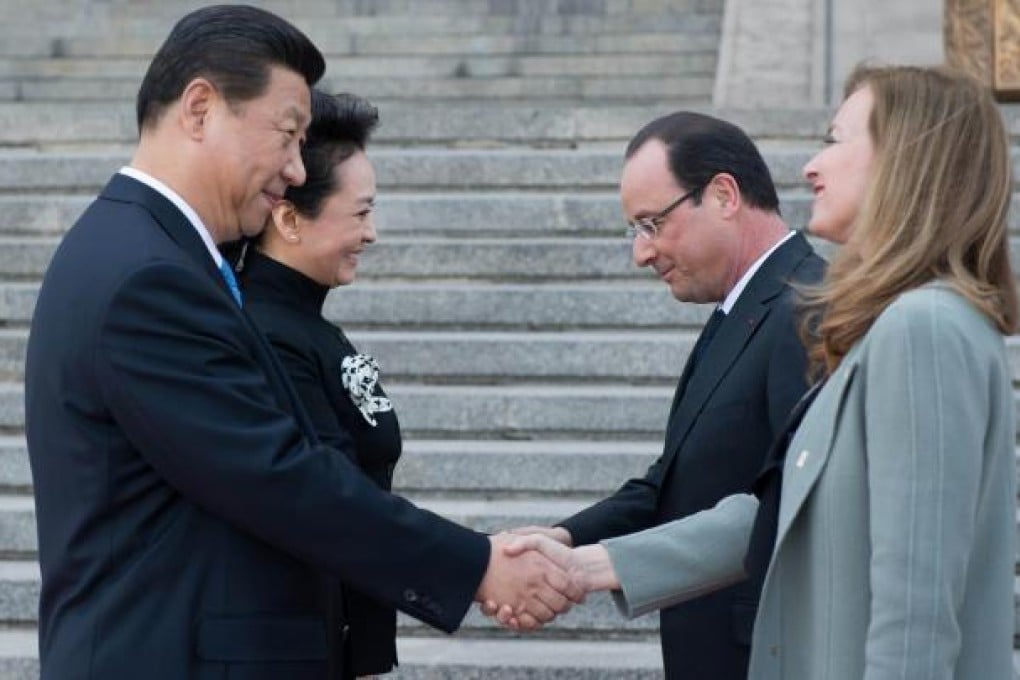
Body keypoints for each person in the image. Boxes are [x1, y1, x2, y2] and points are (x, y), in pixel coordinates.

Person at [24, 6, 579, 679]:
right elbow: (276, 475)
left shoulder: (154, 252)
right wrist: (478, 566)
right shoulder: (147, 277)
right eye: (287, 136)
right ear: (200, 109)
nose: (294, 169)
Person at [503, 64, 1019, 680]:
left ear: (907, 160)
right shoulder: (893, 325)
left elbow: (916, 612)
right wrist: (584, 563)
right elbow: (778, 510)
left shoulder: (924, 329)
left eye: (835, 140)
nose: (809, 167)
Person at [506, 111, 825, 678]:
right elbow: (673, 482)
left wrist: (590, 565)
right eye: (636, 230)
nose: (642, 253)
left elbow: (795, 508)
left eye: (652, 223)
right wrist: (562, 536)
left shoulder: (808, 310)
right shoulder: (742, 308)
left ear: (723, 194)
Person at [228, 90, 398, 678]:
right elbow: (329, 495)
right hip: (299, 638)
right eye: (360, 213)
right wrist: (477, 561)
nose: (371, 233)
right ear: (289, 218)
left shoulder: (310, 326)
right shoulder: (268, 334)